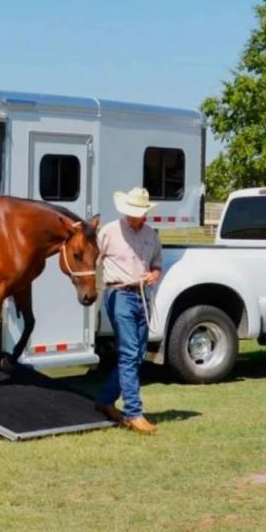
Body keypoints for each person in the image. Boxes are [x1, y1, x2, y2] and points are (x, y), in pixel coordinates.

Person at [94, 186, 162, 435]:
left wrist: (154, 275)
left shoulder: (151, 235)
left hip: (143, 295)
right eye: (132, 212)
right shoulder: (108, 232)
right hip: (119, 294)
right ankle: (134, 412)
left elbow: (157, 264)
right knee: (130, 351)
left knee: (137, 353)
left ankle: (105, 400)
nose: (135, 217)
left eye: (139, 213)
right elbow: (92, 260)